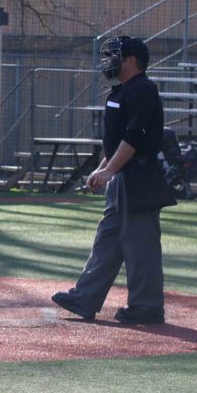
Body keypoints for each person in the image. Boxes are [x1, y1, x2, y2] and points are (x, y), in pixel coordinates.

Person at [52, 36, 172, 325]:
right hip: (122, 176)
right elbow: (118, 141)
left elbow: (135, 137)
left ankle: (147, 306)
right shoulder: (123, 91)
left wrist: (109, 171)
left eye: (116, 56)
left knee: (141, 245)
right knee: (108, 239)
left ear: (132, 60)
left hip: (139, 177)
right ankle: (85, 298)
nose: (110, 62)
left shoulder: (143, 88)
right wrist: (104, 168)